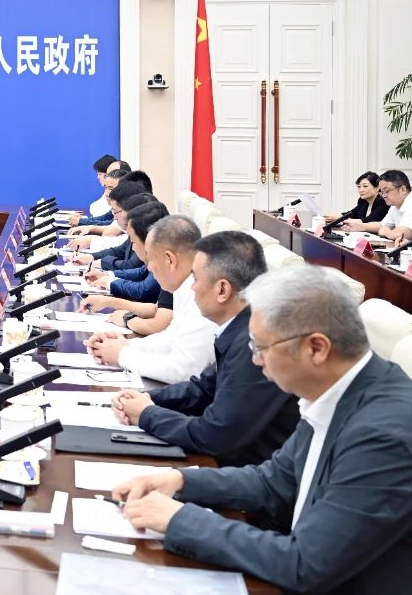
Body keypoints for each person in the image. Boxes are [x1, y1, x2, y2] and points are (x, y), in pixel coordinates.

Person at [113, 266, 412, 594]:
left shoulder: (382, 435)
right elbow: (272, 482)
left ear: (316, 348)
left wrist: (179, 520)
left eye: (260, 347)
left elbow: (304, 564)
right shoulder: (338, 390)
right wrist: (181, 481)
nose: (254, 360)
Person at [112, 231, 299, 467]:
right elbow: (203, 388)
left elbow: (215, 434)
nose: (192, 288)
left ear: (222, 290)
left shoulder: (256, 343)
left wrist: (147, 414)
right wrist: (148, 398)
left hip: (247, 471)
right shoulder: (240, 325)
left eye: (196, 279)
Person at [85, 216, 215, 384]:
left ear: (169, 259)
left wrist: (122, 355)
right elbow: (171, 339)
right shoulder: (185, 287)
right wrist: (123, 345)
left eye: (151, 259)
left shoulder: (203, 295)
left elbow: (184, 370)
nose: (149, 268)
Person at [345, 169, 412, 242]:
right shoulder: (394, 206)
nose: (383, 196)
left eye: (386, 191)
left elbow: (403, 233)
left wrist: (386, 232)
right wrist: (361, 226)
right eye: (382, 192)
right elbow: (382, 225)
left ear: (402, 189)